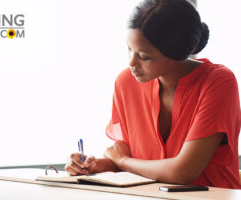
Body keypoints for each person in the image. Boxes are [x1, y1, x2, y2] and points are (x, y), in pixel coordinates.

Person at [65, 0, 241, 189]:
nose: (131, 63)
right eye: (129, 49)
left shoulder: (218, 82)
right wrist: (90, 166)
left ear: (176, 52)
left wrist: (122, 161)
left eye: (144, 56)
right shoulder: (126, 83)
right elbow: (129, 159)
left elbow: (183, 172)